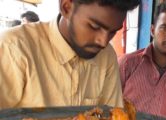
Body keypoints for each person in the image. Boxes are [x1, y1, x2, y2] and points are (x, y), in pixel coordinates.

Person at [0, 0, 140, 110]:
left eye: (112, 32)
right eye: (94, 27)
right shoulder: (15, 48)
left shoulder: (107, 55)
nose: (103, 42)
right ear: (66, 7)